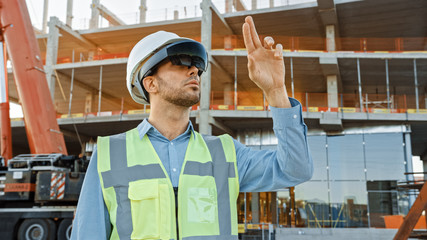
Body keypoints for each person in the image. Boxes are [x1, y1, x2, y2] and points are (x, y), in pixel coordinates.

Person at [71, 16, 313, 240]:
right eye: (181, 61)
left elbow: (296, 169)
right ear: (150, 82)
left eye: (197, 64)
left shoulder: (226, 152)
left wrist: (275, 91)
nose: (194, 69)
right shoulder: (109, 154)